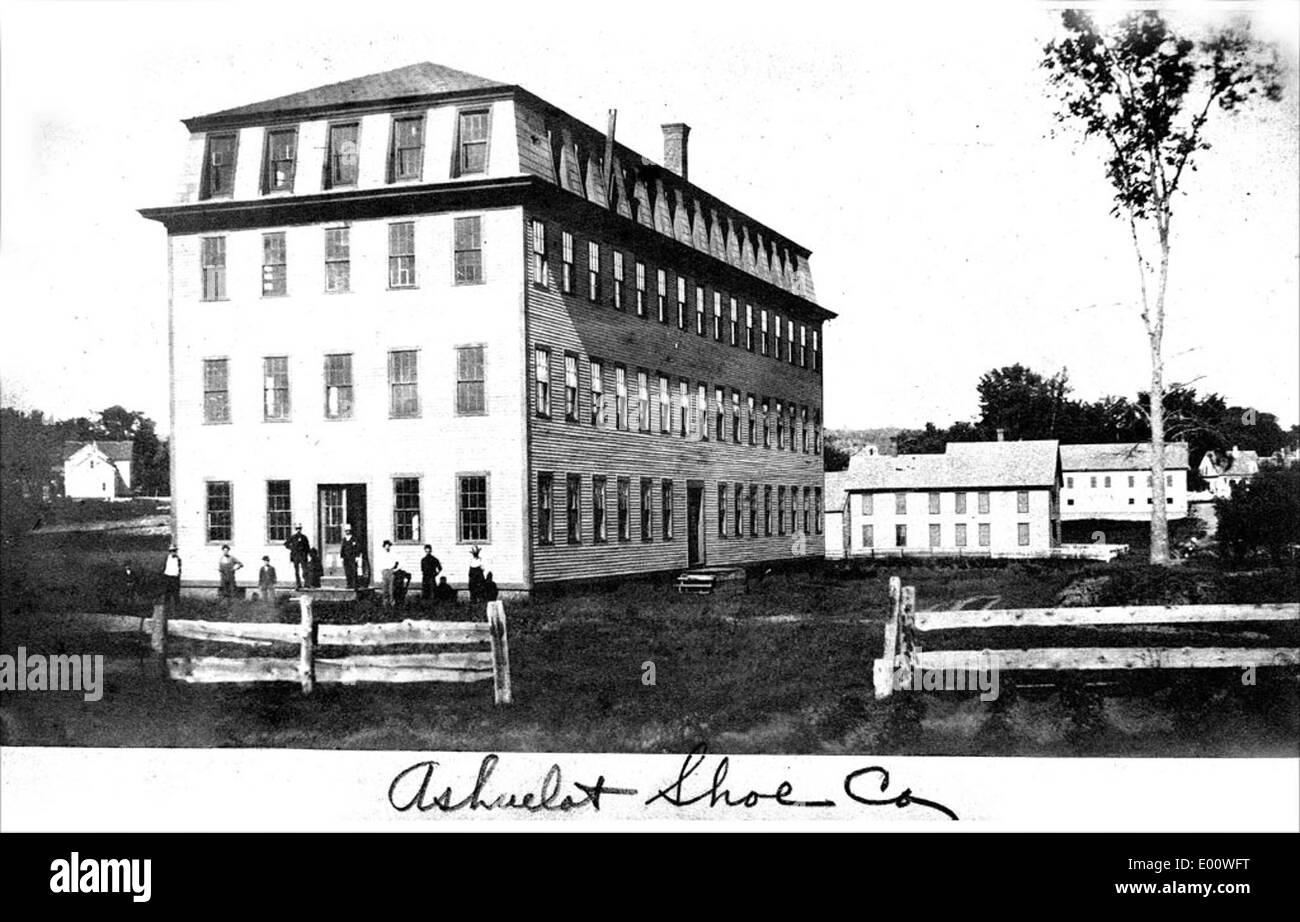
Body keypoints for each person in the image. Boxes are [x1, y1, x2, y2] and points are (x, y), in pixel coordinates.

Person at [283, 524, 310, 590]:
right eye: (297, 529)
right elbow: (286, 544)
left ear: (301, 529)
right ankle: (298, 584)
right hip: (295, 556)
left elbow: (307, 547)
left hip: (303, 556)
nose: (298, 530)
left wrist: (306, 553)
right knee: (296, 571)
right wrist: (292, 548)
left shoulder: (304, 537)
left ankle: (306, 583)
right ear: (296, 530)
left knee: (305, 570)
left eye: (299, 529)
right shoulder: (293, 537)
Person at [379, 540, 400, 608]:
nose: (387, 547)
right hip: (384, 572)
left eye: (388, 546)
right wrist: (381, 571)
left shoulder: (392, 554)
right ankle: (385, 603)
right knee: (385, 588)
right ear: (384, 547)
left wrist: (395, 569)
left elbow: (400, 562)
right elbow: (379, 564)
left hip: (391, 571)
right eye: (386, 546)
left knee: (391, 589)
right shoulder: (381, 555)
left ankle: (392, 603)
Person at [161, 546, 182, 612]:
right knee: (167, 594)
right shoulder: (166, 558)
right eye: (172, 551)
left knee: (176, 594)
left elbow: (179, 569)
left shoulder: (178, 559)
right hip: (168, 577)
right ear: (170, 552)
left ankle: (177, 608)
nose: (173, 553)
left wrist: (178, 576)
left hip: (175, 578)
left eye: (175, 551)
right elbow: (163, 567)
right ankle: (166, 608)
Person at [340, 525, 361, 589]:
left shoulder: (354, 539)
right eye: (346, 531)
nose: (347, 532)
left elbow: (357, 548)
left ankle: (354, 584)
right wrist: (341, 557)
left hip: (353, 557)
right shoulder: (344, 539)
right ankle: (349, 584)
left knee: (353, 571)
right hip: (346, 558)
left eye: (348, 531)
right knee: (347, 571)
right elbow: (342, 549)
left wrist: (357, 556)